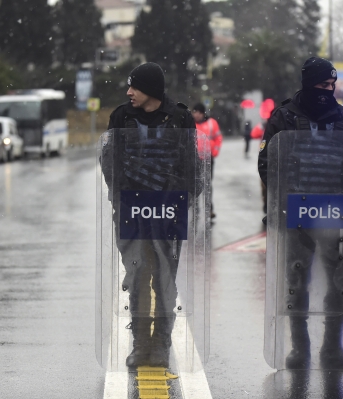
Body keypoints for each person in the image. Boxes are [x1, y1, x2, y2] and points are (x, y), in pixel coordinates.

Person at [258, 57, 343, 369]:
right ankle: (299, 349)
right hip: (296, 213)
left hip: (336, 213)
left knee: (338, 282)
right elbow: (267, 163)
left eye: (331, 86)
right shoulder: (284, 118)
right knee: (296, 279)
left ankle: (332, 348)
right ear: (308, 83)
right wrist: (287, 196)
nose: (327, 91)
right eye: (321, 85)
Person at [106, 62, 196, 369]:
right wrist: (121, 197)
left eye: (135, 87)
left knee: (164, 279)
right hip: (131, 211)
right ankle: (141, 343)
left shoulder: (181, 118)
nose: (129, 92)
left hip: (169, 212)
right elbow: (111, 162)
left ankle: (161, 345)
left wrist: (179, 200)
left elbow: (192, 168)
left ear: (151, 91)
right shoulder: (121, 117)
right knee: (138, 274)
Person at [192, 103, 222, 218]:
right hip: (195, 158)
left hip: (208, 159)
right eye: (194, 112)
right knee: (194, 184)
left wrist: (215, 151)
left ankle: (209, 209)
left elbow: (218, 137)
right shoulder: (191, 123)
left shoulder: (212, 123)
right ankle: (195, 209)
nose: (195, 115)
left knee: (207, 184)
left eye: (197, 112)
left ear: (202, 113)